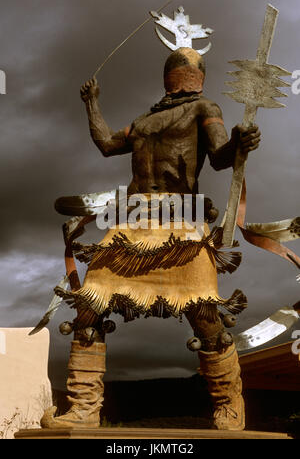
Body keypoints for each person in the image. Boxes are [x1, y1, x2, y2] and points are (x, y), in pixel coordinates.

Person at [41, 47, 260, 431]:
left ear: (198, 76)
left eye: (189, 69)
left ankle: (229, 405)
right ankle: (83, 407)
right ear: (170, 76)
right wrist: (92, 103)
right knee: (90, 307)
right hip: (133, 219)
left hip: (182, 220)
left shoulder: (205, 109)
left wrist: (241, 142)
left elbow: (222, 155)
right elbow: (108, 143)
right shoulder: (144, 121)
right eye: (180, 68)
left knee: (204, 312)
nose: (183, 74)